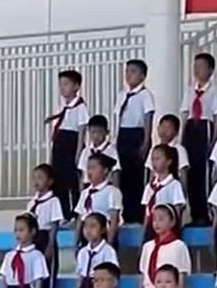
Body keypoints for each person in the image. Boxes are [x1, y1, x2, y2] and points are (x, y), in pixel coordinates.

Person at [182, 52, 217, 226]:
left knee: (203, 171)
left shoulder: (214, 92)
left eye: (201, 67)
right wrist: (182, 136)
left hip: (204, 127)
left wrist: (214, 139)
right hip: (191, 128)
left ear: (210, 70)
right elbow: (185, 113)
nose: (197, 70)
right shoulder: (189, 91)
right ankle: (194, 213)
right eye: (195, 67)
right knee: (190, 171)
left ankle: (205, 214)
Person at [114, 59, 156, 216]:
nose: (128, 75)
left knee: (136, 175)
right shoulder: (122, 95)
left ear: (142, 76)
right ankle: (127, 213)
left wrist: (146, 140)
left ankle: (138, 213)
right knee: (124, 174)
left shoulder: (145, 95)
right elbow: (119, 119)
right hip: (124, 134)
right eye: (127, 71)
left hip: (138, 134)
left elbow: (148, 118)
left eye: (133, 71)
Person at [26, 164, 65, 288]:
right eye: (34, 178)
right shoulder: (32, 202)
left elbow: (54, 225)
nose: (36, 181)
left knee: (46, 280)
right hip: (33, 239)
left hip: (45, 237)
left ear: (50, 182)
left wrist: (50, 245)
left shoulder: (53, 201)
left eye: (40, 178)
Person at [47, 70, 88, 217]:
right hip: (60, 144)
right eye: (61, 85)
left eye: (66, 84)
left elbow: (82, 130)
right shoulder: (62, 106)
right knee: (59, 179)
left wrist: (78, 152)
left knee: (72, 180)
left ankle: (75, 212)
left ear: (76, 86)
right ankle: (63, 212)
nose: (62, 88)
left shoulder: (80, 106)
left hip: (72, 142)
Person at [138, 204, 191, 288]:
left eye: (161, 219)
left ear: (172, 222)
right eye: (154, 219)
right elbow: (143, 277)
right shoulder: (147, 246)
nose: (157, 223)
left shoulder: (179, 246)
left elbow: (181, 276)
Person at [139, 144, 187, 227]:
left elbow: (177, 210)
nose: (154, 163)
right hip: (152, 228)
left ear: (169, 161)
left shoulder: (175, 185)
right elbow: (147, 212)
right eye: (153, 159)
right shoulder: (149, 187)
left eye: (158, 159)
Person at [75, 152, 123, 235]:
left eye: (94, 168)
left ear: (105, 171)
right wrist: (76, 240)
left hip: (103, 234)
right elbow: (80, 218)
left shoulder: (112, 191)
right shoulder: (85, 193)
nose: (90, 171)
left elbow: (114, 219)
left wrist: (109, 241)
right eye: (88, 168)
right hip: (87, 235)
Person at [76, 115, 117, 196]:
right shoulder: (86, 151)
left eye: (99, 132)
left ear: (107, 132)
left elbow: (116, 173)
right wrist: (82, 193)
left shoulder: (111, 151)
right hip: (88, 187)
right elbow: (82, 175)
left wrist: (115, 192)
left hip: (105, 188)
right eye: (93, 132)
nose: (95, 136)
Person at [152, 114, 190, 189]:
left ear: (176, 132)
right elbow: (151, 173)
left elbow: (183, 174)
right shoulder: (154, 149)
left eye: (168, 128)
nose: (164, 131)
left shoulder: (179, 150)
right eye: (162, 126)